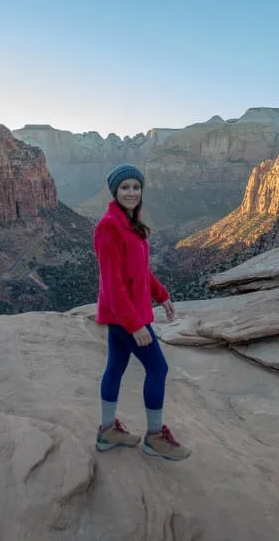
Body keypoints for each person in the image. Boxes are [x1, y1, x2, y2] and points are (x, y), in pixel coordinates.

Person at [92, 163, 191, 461]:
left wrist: (162, 296)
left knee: (116, 367)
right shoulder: (109, 225)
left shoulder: (130, 222)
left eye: (136, 187)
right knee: (158, 369)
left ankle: (107, 431)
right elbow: (112, 284)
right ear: (115, 191)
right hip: (126, 317)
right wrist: (135, 325)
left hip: (124, 315)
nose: (132, 192)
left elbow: (140, 271)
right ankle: (154, 436)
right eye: (125, 187)